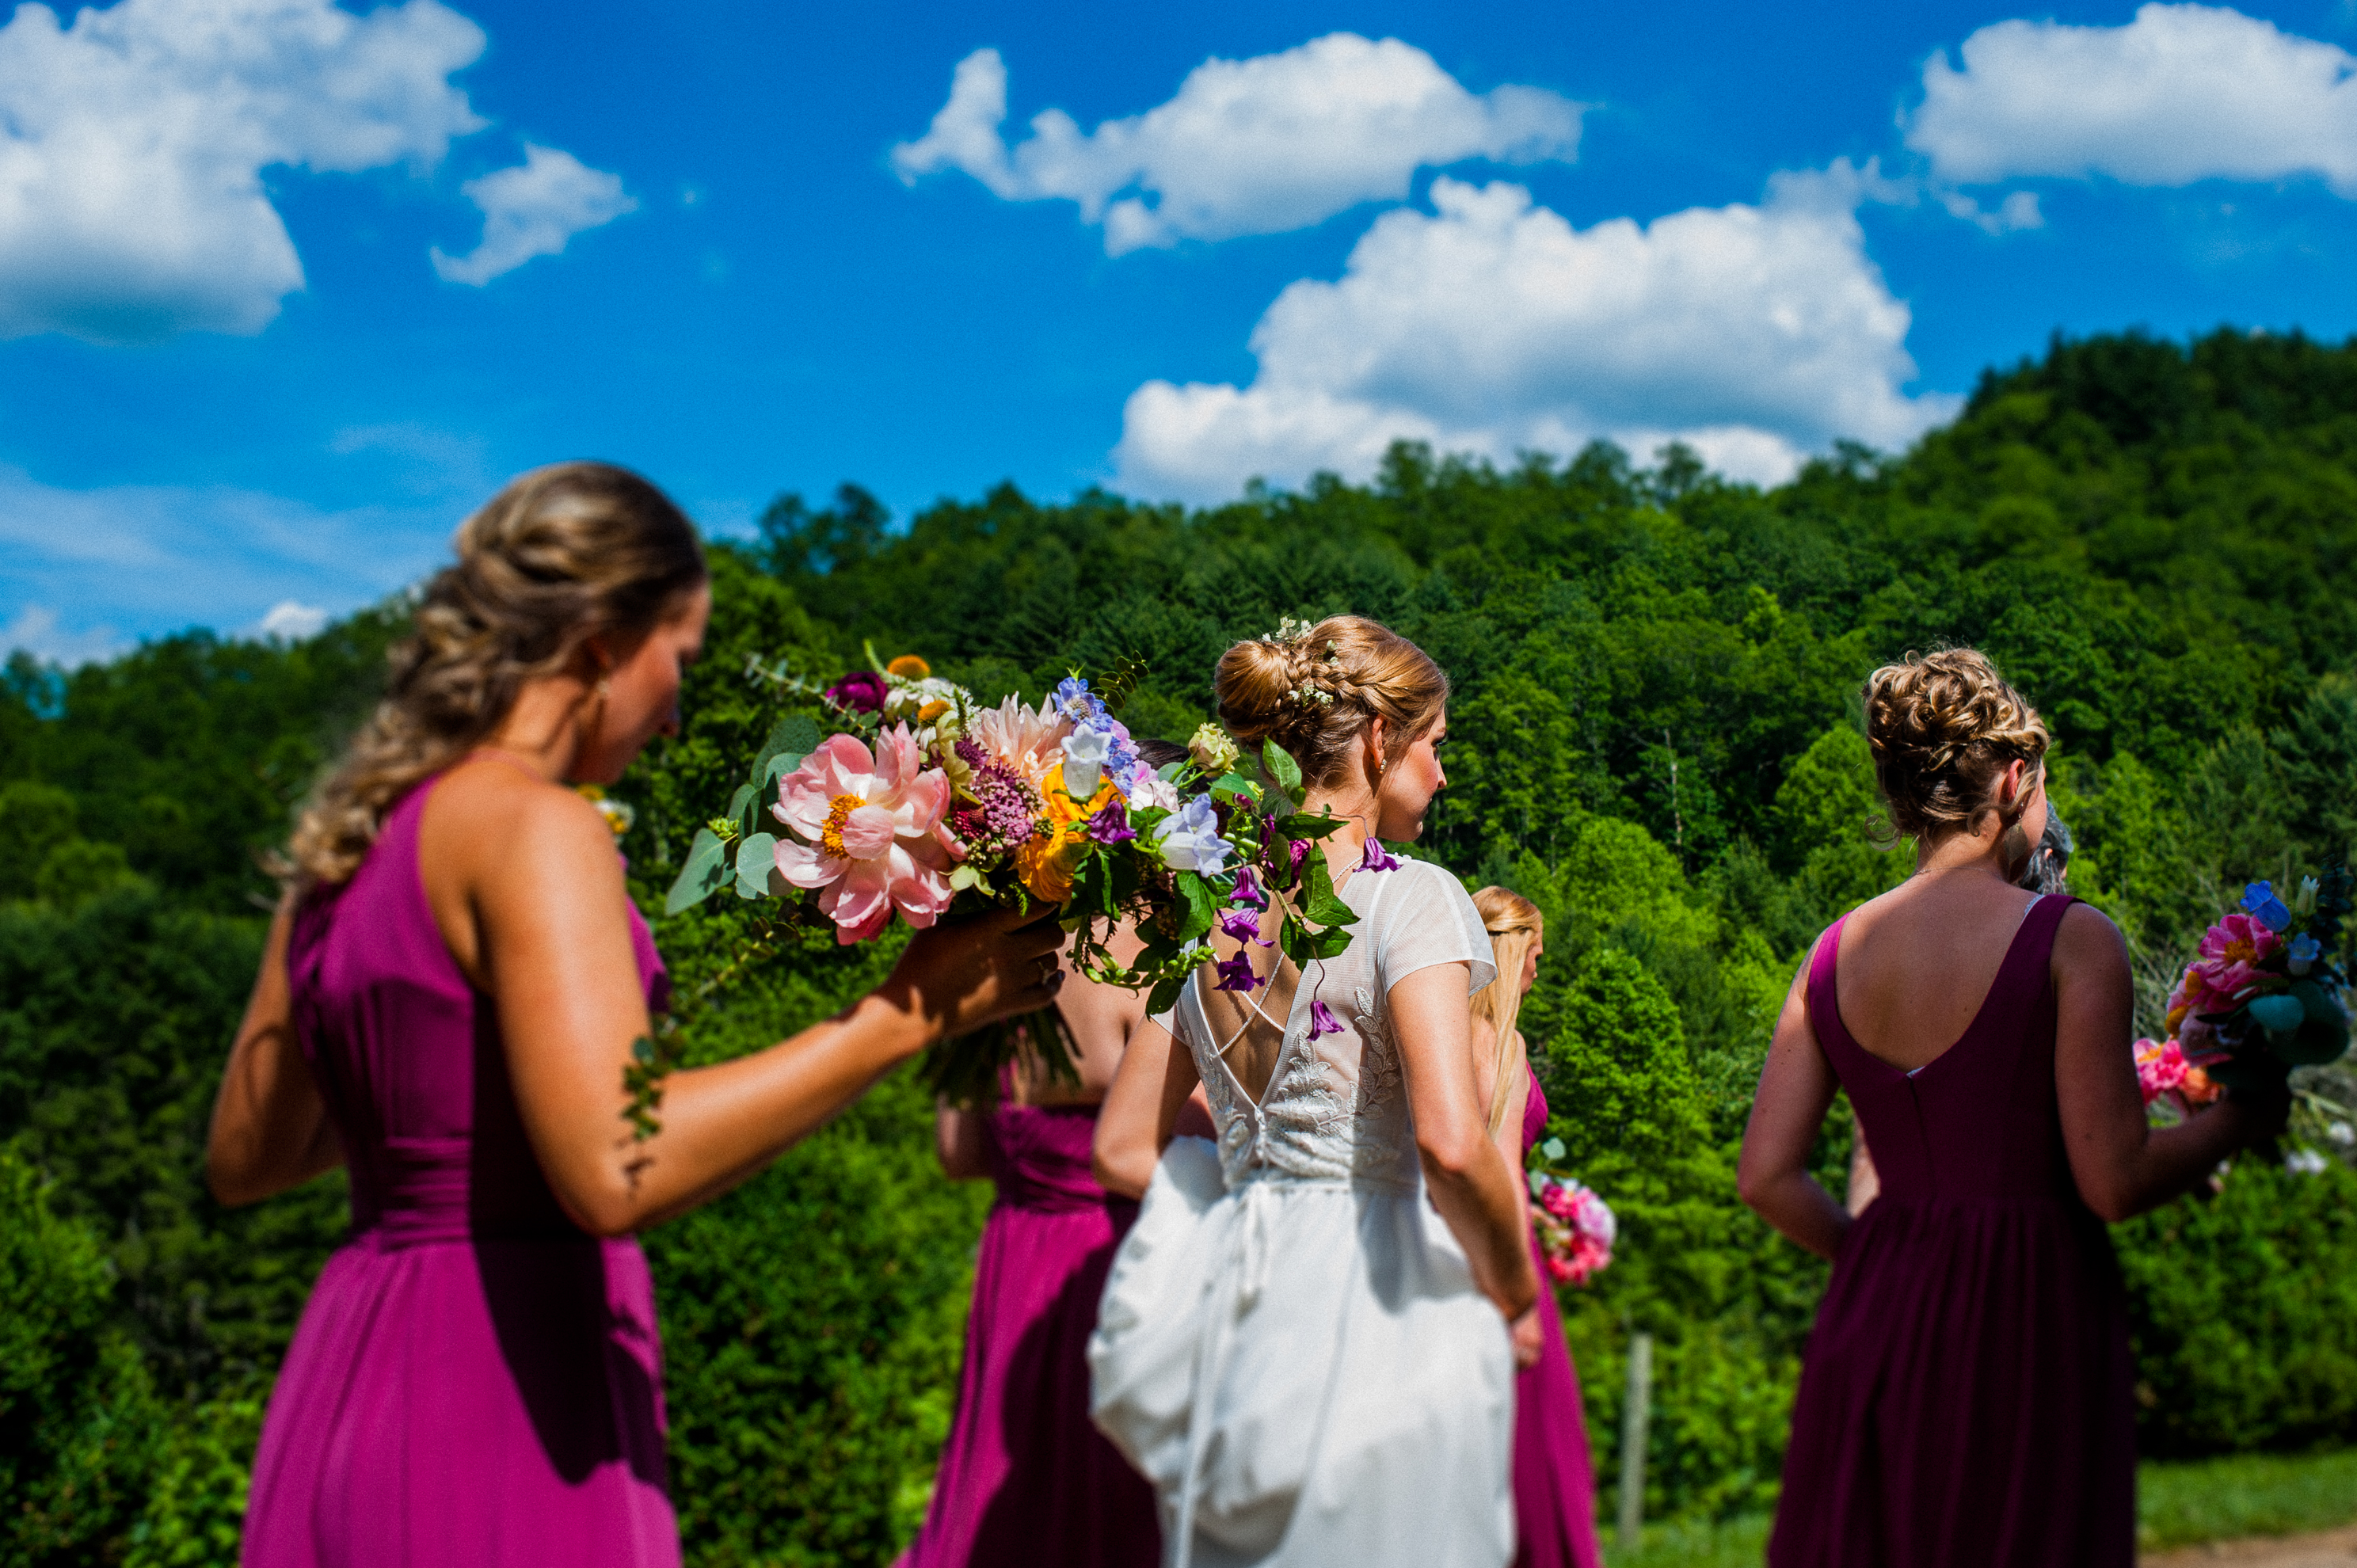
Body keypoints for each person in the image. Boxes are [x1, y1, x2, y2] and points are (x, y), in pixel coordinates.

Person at [208, 462, 1066, 1568]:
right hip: (501, 1388)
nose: (672, 718)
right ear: (604, 642)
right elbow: (618, 1162)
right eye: (681, 662)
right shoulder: (539, 829)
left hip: (345, 1374)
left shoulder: (343, 848)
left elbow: (245, 1157)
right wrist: (902, 1016)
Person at [1737, 649, 2287, 1568]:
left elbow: (1765, 1178)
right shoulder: (2073, 940)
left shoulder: (1833, 954)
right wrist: (2236, 1120)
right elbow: (2113, 1182)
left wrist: (1888, 1258)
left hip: (1878, 1316)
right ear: (2017, 779)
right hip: (2028, 1321)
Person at [1089, 615, 1540, 1568]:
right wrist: (1509, 1283)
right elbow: (1452, 1146)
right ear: (1380, 739)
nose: (1443, 778)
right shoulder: (1411, 896)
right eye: (1435, 748)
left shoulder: (1216, 919)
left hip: (1238, 1320)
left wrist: (1252, 1212)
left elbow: (1123, 1148)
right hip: (1378, 1310)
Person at [894, 742, 1194, 1568]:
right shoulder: (1145, 973)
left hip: (1013, 1262)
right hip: (1115, 1264)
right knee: (1108, 1506)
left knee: (1005, 1489)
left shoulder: (998, 963)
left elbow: (957, 1152)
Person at [1468, 888, 1602, 1568]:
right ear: (1511, 951)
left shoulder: (1428, 1036)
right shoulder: (1505, 1048)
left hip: (1436, 1250)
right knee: (1536, 1465)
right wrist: (1520, 1298)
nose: (1538, 974)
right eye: (1536, 958)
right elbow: (1502, 1170)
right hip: (1501, 1258)